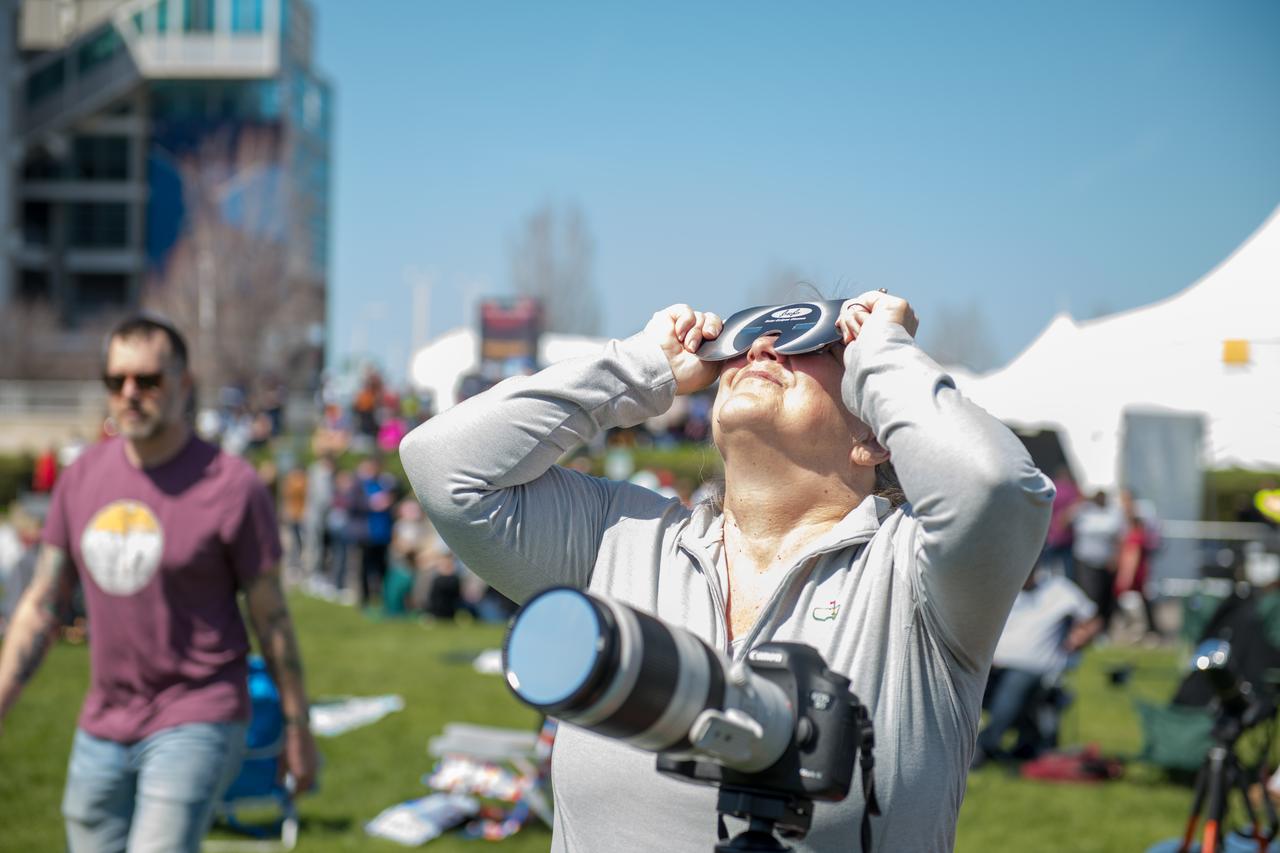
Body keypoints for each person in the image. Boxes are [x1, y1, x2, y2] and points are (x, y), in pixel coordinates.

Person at [400, 292, 1054, 852]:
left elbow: (996, 485)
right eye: (748, 341)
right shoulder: (619, 536)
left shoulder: (915, 577)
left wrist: (883, 348)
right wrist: (642, 366)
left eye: (811, 344)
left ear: (873, 431)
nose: (763, 348)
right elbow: (444, 465)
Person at [0, 315, 317, 853]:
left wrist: (297, 726)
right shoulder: (81, 479)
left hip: (199, 711)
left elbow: (272, 617)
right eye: (116, 380)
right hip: (103, 719)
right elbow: (42, 603)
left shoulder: (232, 486)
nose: (130, 394)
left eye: (149, 380)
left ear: (184, 385)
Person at [972, 568, 1101, 767]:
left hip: (1035, 667)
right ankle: (972, 743)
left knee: (1014, 687)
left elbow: (1092, 621)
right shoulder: (999, 585)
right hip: (992, 664)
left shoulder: (1059, 590)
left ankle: (983, 746)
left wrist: (1078, 638)